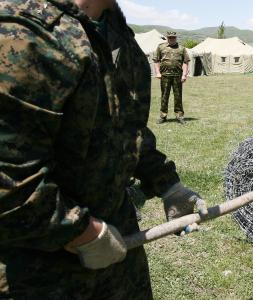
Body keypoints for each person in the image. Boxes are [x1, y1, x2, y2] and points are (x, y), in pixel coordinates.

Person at [0, 0, 207, 299]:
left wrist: (168, 184)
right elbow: (8, 180)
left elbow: (126, 129)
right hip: (36, 272)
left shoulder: (117, 34)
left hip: (118, 252)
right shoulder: (22, 30)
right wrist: (79, 232)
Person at [154, 31, 190, 125]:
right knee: (164, 96)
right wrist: (157, 72)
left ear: (176, 37)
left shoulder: (182, 48)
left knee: (178, 97)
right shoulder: (161, 47)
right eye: (170, 37)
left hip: (177, 76)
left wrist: (184, 75)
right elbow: (156, 60)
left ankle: (179, 116)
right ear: (167, 37)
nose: (171, 39)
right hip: (164, 76)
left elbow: (186, 62)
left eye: (173, 37)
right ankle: (163, 116)